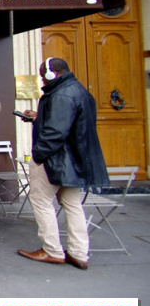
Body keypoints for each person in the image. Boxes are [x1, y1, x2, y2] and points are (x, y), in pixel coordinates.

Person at [17, 58, 109, 270]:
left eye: (43, 75)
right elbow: (70, 123)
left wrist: (38, 155)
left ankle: (52, 250)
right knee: (72, 204)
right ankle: (79, 253)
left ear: (53, 74)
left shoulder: (60, 95)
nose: (42, 79)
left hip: (55, 158)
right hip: (74, 158)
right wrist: (39, 117)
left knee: (41, 200)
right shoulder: (79, 91)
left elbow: (56, 132)